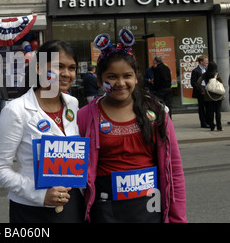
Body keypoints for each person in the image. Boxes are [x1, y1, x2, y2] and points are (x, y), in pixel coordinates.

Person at [77, 31, 186, 223]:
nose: (120, 83)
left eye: (127, 76)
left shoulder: (157, 112)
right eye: (111, 77)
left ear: (136, 78)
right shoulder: (85, 116)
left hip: (150, 208)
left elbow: (174, 170)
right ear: (100, 81)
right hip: (105, 210)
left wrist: (178, 218)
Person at [0, 40, 84, 223]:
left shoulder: (72, 103)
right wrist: (40, 194)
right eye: (59, 67)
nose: (66, 74)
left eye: (72, 68)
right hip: (33, 210)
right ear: (40, 69)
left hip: (73, 202)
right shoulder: (16, 110)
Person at [197, 61, 225, 131]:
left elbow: (198, 82)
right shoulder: (217, 74)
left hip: (208, 95)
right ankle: (219, 126)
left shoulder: (205, 74)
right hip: (218, 95)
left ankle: (212, 126)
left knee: (210, 112)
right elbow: (221, 82)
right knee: (218, 111)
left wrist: (202, 90)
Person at [191, 55, 209, 128]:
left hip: (207, 90)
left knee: (208, 107)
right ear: (201, 62)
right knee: (202, 107)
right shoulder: (196, 71)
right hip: (200, 91)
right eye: (206, 61)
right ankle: (203, 123)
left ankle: (209, 121)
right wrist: (200, 89)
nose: (207, 62)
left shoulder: (207, 70)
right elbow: (193, 82)